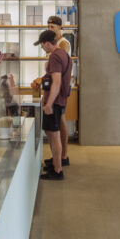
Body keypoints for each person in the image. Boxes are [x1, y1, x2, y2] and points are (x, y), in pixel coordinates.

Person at [36, 30, 72, 181]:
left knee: (54, 135)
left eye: (42, 45)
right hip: (61, 100)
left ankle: (57, 170)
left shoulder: (55, 57)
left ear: (47, 43)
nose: (42, 48)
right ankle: (56, 162)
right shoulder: (64, 55)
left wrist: (49, 104)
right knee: (52, 133)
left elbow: (56, 82)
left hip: (55, 102)